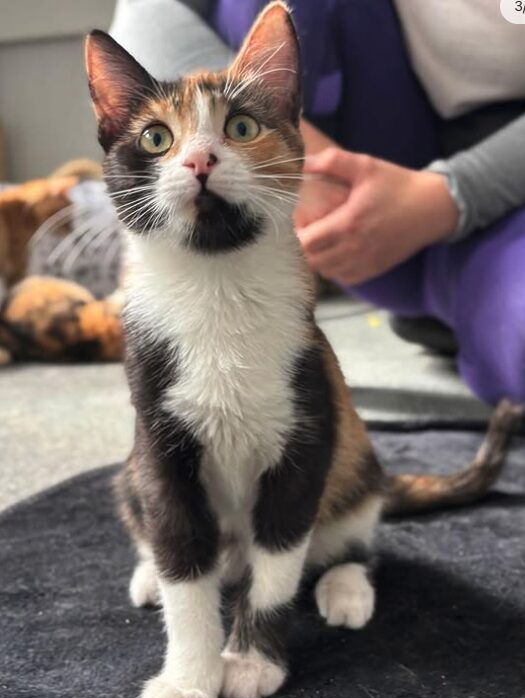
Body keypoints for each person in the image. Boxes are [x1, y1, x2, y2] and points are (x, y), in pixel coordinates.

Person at [109, 0, 525, 405]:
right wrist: (291, 151)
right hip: (360, 184)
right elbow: (146, 10)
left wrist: (453, 195)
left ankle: (466, 301)